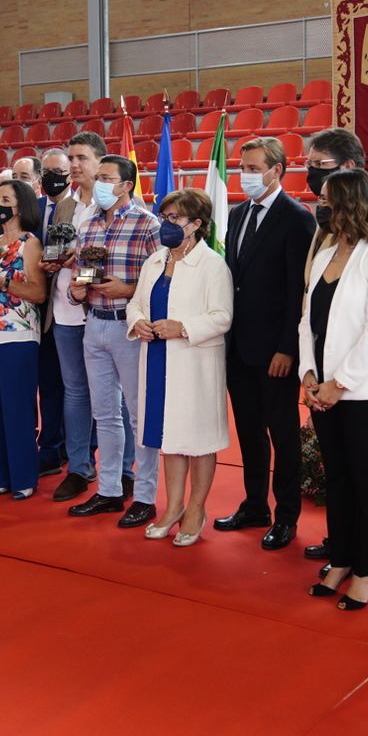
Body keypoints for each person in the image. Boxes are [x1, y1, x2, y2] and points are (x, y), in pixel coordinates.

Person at [300, 169, 368, 608]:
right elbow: (307, 320)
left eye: (326, 199)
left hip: (362, 390)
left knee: (363, 479)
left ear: (349, 204)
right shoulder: (325, 255)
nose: (319, 205)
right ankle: (341, 557)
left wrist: (338, 383)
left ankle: (367, 567)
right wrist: (309, 374)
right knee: (336, 477)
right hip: (321, 384)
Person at [215, 136, 315, 550]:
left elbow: (297, 289)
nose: (246, 175)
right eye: (244, 167)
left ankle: (286, 515)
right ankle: (255, 503)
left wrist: (287, 348)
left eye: (254, 168)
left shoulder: (297, 218)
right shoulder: (238, 214)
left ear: (277, 170)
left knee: (283, 433)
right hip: (238, 346)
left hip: (275, 350)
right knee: (250, 432)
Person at [128, 188, 233, 545]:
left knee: (198, 439)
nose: (167, 225)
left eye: (175, 219)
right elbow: (137, 303)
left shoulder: (213, 265)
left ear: (197, 224)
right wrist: (138, 321)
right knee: (168, 438)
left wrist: (183, 327)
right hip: (157, 356)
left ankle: (196, 508)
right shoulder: (154, 261)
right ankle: (172, 507)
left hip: (194, 361)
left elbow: (222, 316)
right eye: (165, 218)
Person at [42, 132, 135, 504]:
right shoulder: (63, 207)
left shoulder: (128, 208)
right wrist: (54, 263)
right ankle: (79, 467)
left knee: (121, 398)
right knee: (75, 393)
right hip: (67, 312)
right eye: (71, 157)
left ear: (101, 165)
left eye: (82, 158)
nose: (75, 165)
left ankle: (126, 470)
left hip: (108, 314)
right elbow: (58, 253)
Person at [68, 154, 160, 527]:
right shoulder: (88, 224)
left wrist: (129, 289)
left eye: (107, 178)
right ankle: (108, 490)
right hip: (94, 323)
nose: (100, 184)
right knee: (103, 413)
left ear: (126, 185)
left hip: (130, 326)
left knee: (139, 416)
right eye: (99, 177)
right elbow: (80, 275)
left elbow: (162, 283)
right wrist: (77, 290)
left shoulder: (146, 224)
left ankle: (146, 496)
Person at [0, 179, 47, 499]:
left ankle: (23, 477)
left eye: (6, 198)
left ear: (21, 205)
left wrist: (3, 282)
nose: (0, 203)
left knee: (17, 408)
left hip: (17, 333)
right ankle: (0, 474)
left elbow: (38, 292)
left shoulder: (30, 243)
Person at [31, 146, 69, 479]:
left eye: (59, 172)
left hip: (70, 308)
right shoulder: (35, 207)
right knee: (46, 382)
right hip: (35, 308)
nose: (52, 178)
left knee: (69, 385)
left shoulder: (79, 208)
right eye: (46, 172)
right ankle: (51, 444)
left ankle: (63, 446)